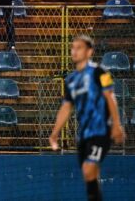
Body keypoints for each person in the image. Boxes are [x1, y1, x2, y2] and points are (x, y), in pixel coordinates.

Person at [49, 35, 126, 201]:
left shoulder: (101, 72)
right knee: (90, 176)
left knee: (88, 168)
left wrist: (116, 125)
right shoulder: (71, 80)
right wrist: (54, 133)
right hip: (83, 134)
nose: (74, 51)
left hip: (101, 130)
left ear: (90, 51)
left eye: (79, 47)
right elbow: (66, 107)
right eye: (73, 47)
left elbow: (110, 97)